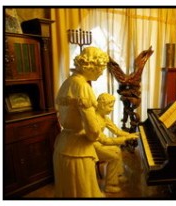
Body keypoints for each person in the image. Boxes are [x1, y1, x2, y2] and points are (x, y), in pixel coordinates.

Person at [53, 47, 109, 198]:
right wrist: (98, 135)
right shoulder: (83, 87)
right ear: (91, 66)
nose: (102, 72)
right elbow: (92, 131)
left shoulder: (68, 82)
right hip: (78, 151)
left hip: (63, 145)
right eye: (101, 68)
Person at [94, 93, 139, 193]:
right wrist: (125, 139)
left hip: (100, 143)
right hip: (93, 147)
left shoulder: (104, 117)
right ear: (101, 105)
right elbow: (105, 140)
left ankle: (117, 175)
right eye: (110, 106)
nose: (112, 109)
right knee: (113, 156)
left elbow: (117, 131)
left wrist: (129, 134)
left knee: (117, 150)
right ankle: (110, 185)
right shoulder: (94, 119)